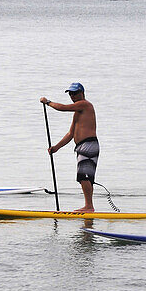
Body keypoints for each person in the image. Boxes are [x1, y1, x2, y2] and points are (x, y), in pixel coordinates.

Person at [41, 82, 98, 213]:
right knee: (85, 176)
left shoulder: (85, 104)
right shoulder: (77, 112)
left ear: (82, 93)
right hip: (82, 146)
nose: (72, 96)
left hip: (88, 144)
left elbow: (62, 107)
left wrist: (47, 102)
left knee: (84, 176)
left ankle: (89, 206)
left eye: (75, 93)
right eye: (70, 94)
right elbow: (70, 134)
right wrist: (56, 147)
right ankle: (89, 206)